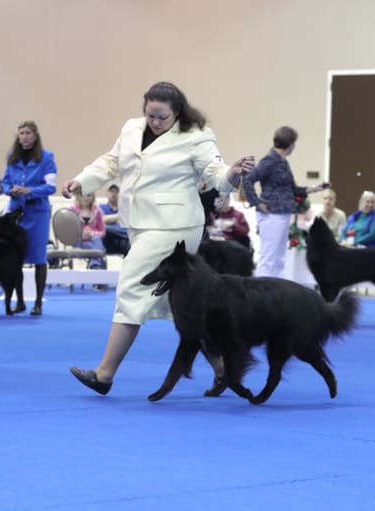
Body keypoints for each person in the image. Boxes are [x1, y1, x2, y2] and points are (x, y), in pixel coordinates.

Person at [63, 81, 254, 395]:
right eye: (150, 115)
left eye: (161, 117)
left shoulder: (197, 135)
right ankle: (225, 370)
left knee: (130, 288)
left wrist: (232, 173)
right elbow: (111, 162)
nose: (154, 122)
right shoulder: (131, 128)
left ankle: (104, 374)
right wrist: (81, 181)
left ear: (176, 112)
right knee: (185, 307)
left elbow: (215, 172)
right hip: (140, 224)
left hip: (174, 227)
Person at [242, 125, 327, 278]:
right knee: (269, 259)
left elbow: (292, 189)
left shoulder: (282, 162)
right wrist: (256, 202)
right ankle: (261, 294)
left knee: (279, 259)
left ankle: (276, 294)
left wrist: (316, 188)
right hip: (271, 215)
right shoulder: (270, 161)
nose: (295, 146)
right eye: (294, 143)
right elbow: (248, 180)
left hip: (282, 215)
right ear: (289, 143)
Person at [0, 119, 57, 316]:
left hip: (38, 214)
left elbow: (51, 187)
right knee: (16, 259)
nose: (24, 137)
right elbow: (5, 181)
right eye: (21, 133)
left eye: (28, 133)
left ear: (35, 135)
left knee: (39, 258)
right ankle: (20, 301)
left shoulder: (47, 157)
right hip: (16, 214)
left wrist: (29, 190)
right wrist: (10, 190)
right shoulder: (12, 157)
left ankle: (38, 303)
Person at [69, 191, 107, 271]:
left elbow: (102, 231)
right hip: (78, 242)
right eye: (83, 195)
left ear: (93, 197)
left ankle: (95, 265)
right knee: (98, 249)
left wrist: (93, 234)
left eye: (89, 195)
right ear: (78, 196)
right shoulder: (72, 210)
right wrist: (80, 235)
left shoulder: (98, 211)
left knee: (96, 240)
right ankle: (96, 263)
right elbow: (69, 231)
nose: (86, 198)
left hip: (92, 243)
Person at [99, 183, 130, 256]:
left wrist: (110, 219)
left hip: (123, 242)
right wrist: (119, 218)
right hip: (107, 241)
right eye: (112, 191)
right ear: (107, 193)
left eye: (116, 192)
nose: (114, 194)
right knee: (104, 228)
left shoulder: (125, 208)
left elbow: (128, 223)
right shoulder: (101, 207)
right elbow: (101, 221)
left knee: (130, 234)